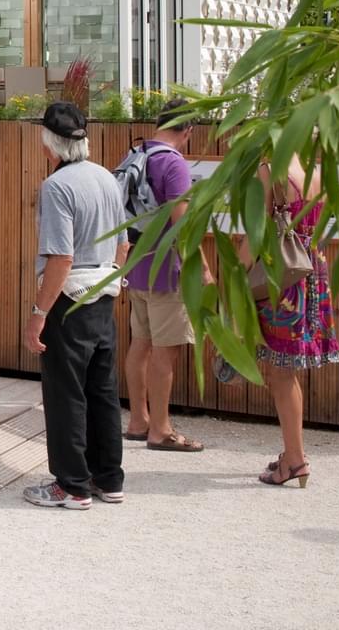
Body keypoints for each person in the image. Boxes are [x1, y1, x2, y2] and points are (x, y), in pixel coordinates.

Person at [23, 102, 130, 510]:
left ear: (49, 143)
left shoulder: (57, 187)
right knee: (102, 391)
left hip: (70, 298)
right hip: (103, 293)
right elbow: (124, 241)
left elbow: (60, 258)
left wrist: (38, 314)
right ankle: (109, 478)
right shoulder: (105, 177)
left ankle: (71, 485)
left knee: (66, 393)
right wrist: (113, 277)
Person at [122, 98, 206, 453]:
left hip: (137, 268)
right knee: (165, 351)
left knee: (139, 345)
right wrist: (200, 268)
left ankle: (138, 420)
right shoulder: (174, 164)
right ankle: (161, 429)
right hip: (167, 273)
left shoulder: (136, 155)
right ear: (187, 130)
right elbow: (182, 225)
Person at [253, 154, 339, 487]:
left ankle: (294, 460)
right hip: (310, 270)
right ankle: (294, 453)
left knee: (281, 372)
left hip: (284, 276)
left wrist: (234, 273)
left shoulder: (270, 169)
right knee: (286, 371)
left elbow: (257, 232)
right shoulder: (314, 170)